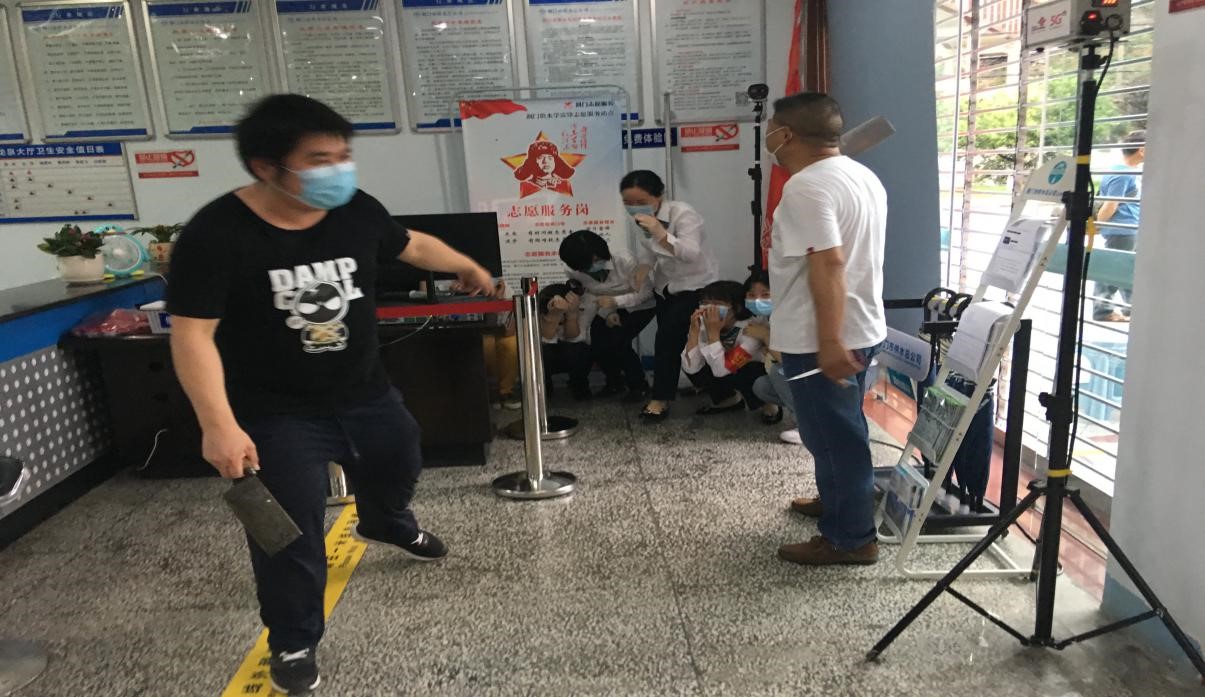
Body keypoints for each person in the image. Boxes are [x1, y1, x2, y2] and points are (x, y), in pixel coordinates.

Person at [166, 95, 497, 695]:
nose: (338, 169)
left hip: (365, 392)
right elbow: (192, 336)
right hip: (275, 412)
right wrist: (218, 424)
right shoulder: (216, 234)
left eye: (344, 155)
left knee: (401, 456)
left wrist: (463, 266)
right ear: (266, 167)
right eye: (320, 159)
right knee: (288, 534)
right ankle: (293, 639)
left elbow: (410, 244)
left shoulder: (354, 208)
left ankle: (385, 520)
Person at [764, 92, 888, 566]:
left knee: (834, 438)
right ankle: (840, 501)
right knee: (842, 430)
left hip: (823, 336)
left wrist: (829, 342)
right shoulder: (862, 175)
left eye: (771, 129)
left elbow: (830, 262)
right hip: (862, 324)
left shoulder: (806, 187)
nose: (769, 137)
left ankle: (850, 538)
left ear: (786, 134)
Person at [620, 170, 719, 422]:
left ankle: (660, 399)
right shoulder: (641, 220)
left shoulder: (683, 214)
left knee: (667, 341)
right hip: (666, 288)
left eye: (640, 201)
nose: (633, 208)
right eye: (627, 202)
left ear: (659, 196)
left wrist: (660, 233)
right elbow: (649, 250)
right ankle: (717, 391)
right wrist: (644, 267)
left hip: (696, 286)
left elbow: (690, 253)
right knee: (676, 343)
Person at [560, 229, 655, 401]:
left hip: (640, 306)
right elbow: (592, 294)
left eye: (592, 263)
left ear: (599, 255)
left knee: (619, 340)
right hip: (606, 306)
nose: (586, 271)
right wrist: (607, 313)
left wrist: (616, 303)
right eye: (582, 268)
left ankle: (639, 386)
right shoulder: (574, 269)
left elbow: (646, 293)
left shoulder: (625, 260)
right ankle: (615, 382)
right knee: (596, 340)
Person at [681, 280, 778, 421]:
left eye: (717, 304)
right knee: (695, 363)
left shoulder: (750, 329)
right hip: (724, 367)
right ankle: (728, 399)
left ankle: (768, 403)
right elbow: (691, 368)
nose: (709, 309)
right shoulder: (704, 325)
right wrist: (694, 333)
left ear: (736, 308)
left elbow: (721, 371)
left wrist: (713, 335)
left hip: (750, 370)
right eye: (705, 303)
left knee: (749, 371)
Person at [742, 270, 801, 441]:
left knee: (778, 371)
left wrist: (765, 337)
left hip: (813, 374)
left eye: (765, 294)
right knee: (762, 386)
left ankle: (808, 426)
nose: (757, 300)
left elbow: (789, 361)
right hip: (798, 375)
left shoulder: (789, 318)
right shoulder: (763, 320)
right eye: (751, 295)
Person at [1093, 130, 1145, 322]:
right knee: (1111, 269)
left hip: (1129, 228)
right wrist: (1096, 227)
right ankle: (1102, 311)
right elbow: (1110, 204)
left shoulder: (1129, 171)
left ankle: (1132, 308)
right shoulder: (1122, 173)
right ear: (1141, 149)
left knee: (1127, 268)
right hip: (1122, 229)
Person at [537, 282, 595, 400]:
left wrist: (571, 315)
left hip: (570, 350)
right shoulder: (540, 309)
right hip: (547, 353)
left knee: (582, 350)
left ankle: (579, 384)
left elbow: (576, 338)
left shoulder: (580, 307)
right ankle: (544, 385)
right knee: (542, 352)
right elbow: (544, 340)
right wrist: (553, 317)